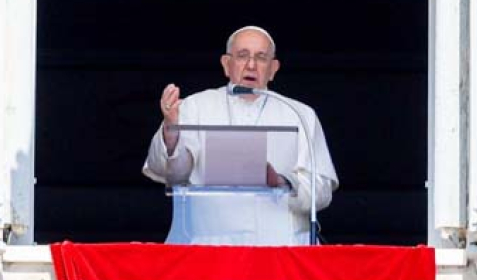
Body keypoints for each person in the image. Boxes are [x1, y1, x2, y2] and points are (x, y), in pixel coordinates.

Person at [143, 26, 338, 246]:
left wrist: (281, 182)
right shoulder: (194, 106)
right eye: (242, 56)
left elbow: (321, 192)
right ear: (226, 64)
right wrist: (170, 131)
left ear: (273, 69)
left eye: (261, 57)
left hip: (280, 249)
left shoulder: (299, 114)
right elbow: (171, 174)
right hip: (208, 246)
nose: (252, 65)